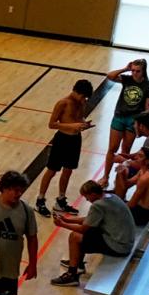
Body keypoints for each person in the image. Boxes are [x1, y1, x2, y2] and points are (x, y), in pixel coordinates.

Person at [48, 180, 136, 286]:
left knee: (75, 236)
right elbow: (90, 219)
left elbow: (84, 228)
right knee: (89, 231)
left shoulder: (98, 205)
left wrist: (62, 224)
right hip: (126, 241)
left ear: (93, 194)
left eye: (87, 197)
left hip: (118, 246)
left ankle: (72, 275)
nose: (86, 199)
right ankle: (76, 262)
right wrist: (67, 220)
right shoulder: (111, 196)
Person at [36, 79, 96, 218]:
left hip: (75, 139)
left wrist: (83, 124)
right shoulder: (63, 103)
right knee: (52, 170)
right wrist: (72, 126)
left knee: (68, 170)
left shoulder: (82, 102)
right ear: (76, 91)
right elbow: (51, 124)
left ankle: (61, 200)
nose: (84, 99)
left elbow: (79, 118)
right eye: (82, 96)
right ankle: (40, 200)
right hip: (62, 139)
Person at [98, 58, 149, 181]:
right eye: (133, 70)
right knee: (112, 148)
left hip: (133, 120)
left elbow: (147, 109)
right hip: (119, 116)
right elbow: (110, 76)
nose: (134, 73)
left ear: (144, 71)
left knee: (125, 151)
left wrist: (139, 124)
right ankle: (105, 176)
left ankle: (120, 177)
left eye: (137, 71)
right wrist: (125, 69)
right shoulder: (127, 79)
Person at [118, 145, 149, 229]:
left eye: (140, 156)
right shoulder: (146, 170)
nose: (135, 157)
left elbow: (131, 204)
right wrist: (122, 173)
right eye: (137, 154)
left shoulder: (146, 178)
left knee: (109, 210)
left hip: (142, 215)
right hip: (140, 209)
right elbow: (126, 185)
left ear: (148, 161)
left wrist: (117, 209)